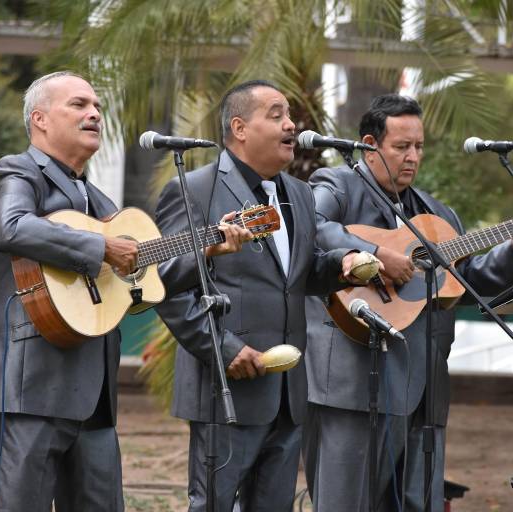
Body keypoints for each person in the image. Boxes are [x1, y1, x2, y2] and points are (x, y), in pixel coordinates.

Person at [0, 71, 247, 511]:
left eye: (98, 107)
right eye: (79, 105)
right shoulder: (20, 171)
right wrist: (101, 246)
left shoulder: (102, 202)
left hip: (96, 399)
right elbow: (9, 227)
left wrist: (208, 250)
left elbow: (148, 284)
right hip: (29, 387)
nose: (94, 114)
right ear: (40, 119)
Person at [302, 93, 513, 511]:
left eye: (419, 146)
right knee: (347, 502)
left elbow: (462, 280)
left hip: (423, 383)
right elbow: (314, 228)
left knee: (418, 502)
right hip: (352, 379)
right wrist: (375, 255)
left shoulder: (437, 213)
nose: (412, 156)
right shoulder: (335, 185)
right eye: (401, 147)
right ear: (369, 144)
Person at [154, 80, 367, 511]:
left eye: (288, 115)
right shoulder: (196, 189)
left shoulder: (300, 194)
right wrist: (225, 349)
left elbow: (300, 275)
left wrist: (343, 263)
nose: (290, 124)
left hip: (288, 392)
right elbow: (166, 285)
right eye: (276, 115)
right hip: (226, 388)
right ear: (239, 128)